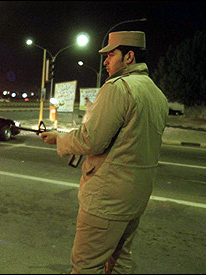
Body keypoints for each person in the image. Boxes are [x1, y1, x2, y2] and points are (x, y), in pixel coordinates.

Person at [40, 31, 169, 274]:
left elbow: (91, 140)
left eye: (111, 55)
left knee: (86, 265)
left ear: (129, 56)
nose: (106, 61)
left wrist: (61, 140)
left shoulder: (119, 88)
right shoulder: (157, 94)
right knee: (119, 262)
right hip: (135, 197)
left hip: (107, 199)